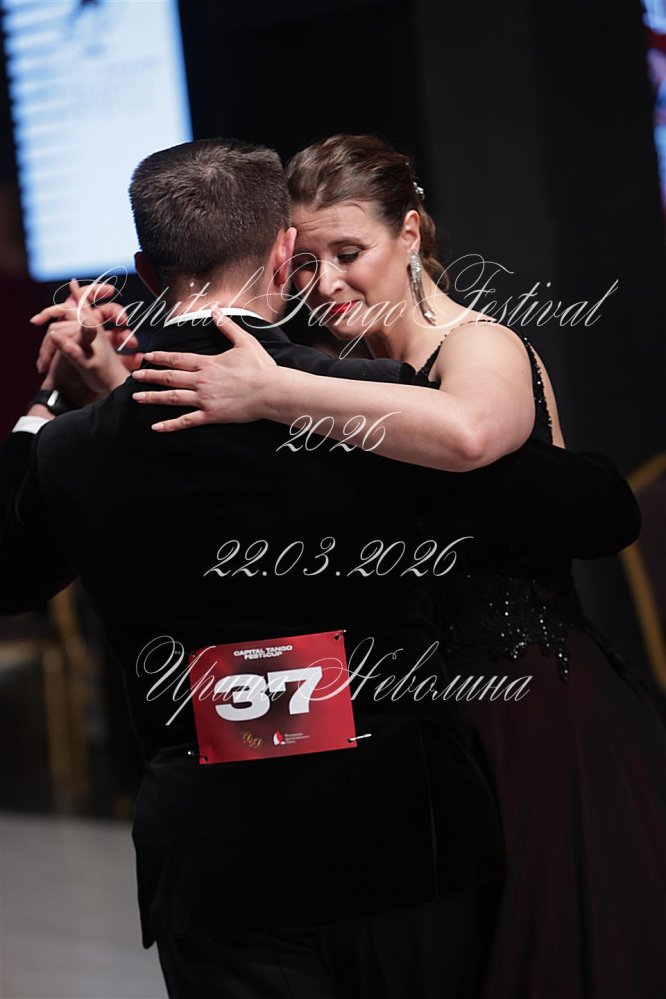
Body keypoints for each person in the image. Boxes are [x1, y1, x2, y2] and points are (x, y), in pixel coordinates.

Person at [130, 134, 666, 999]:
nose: (327, 283)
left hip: (524, 713)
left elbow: (468, 435)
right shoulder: (336, 369)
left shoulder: (475, 343)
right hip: (415, 734)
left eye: (350, 253)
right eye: (307, 263)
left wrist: (273, 392)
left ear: (409, 234)